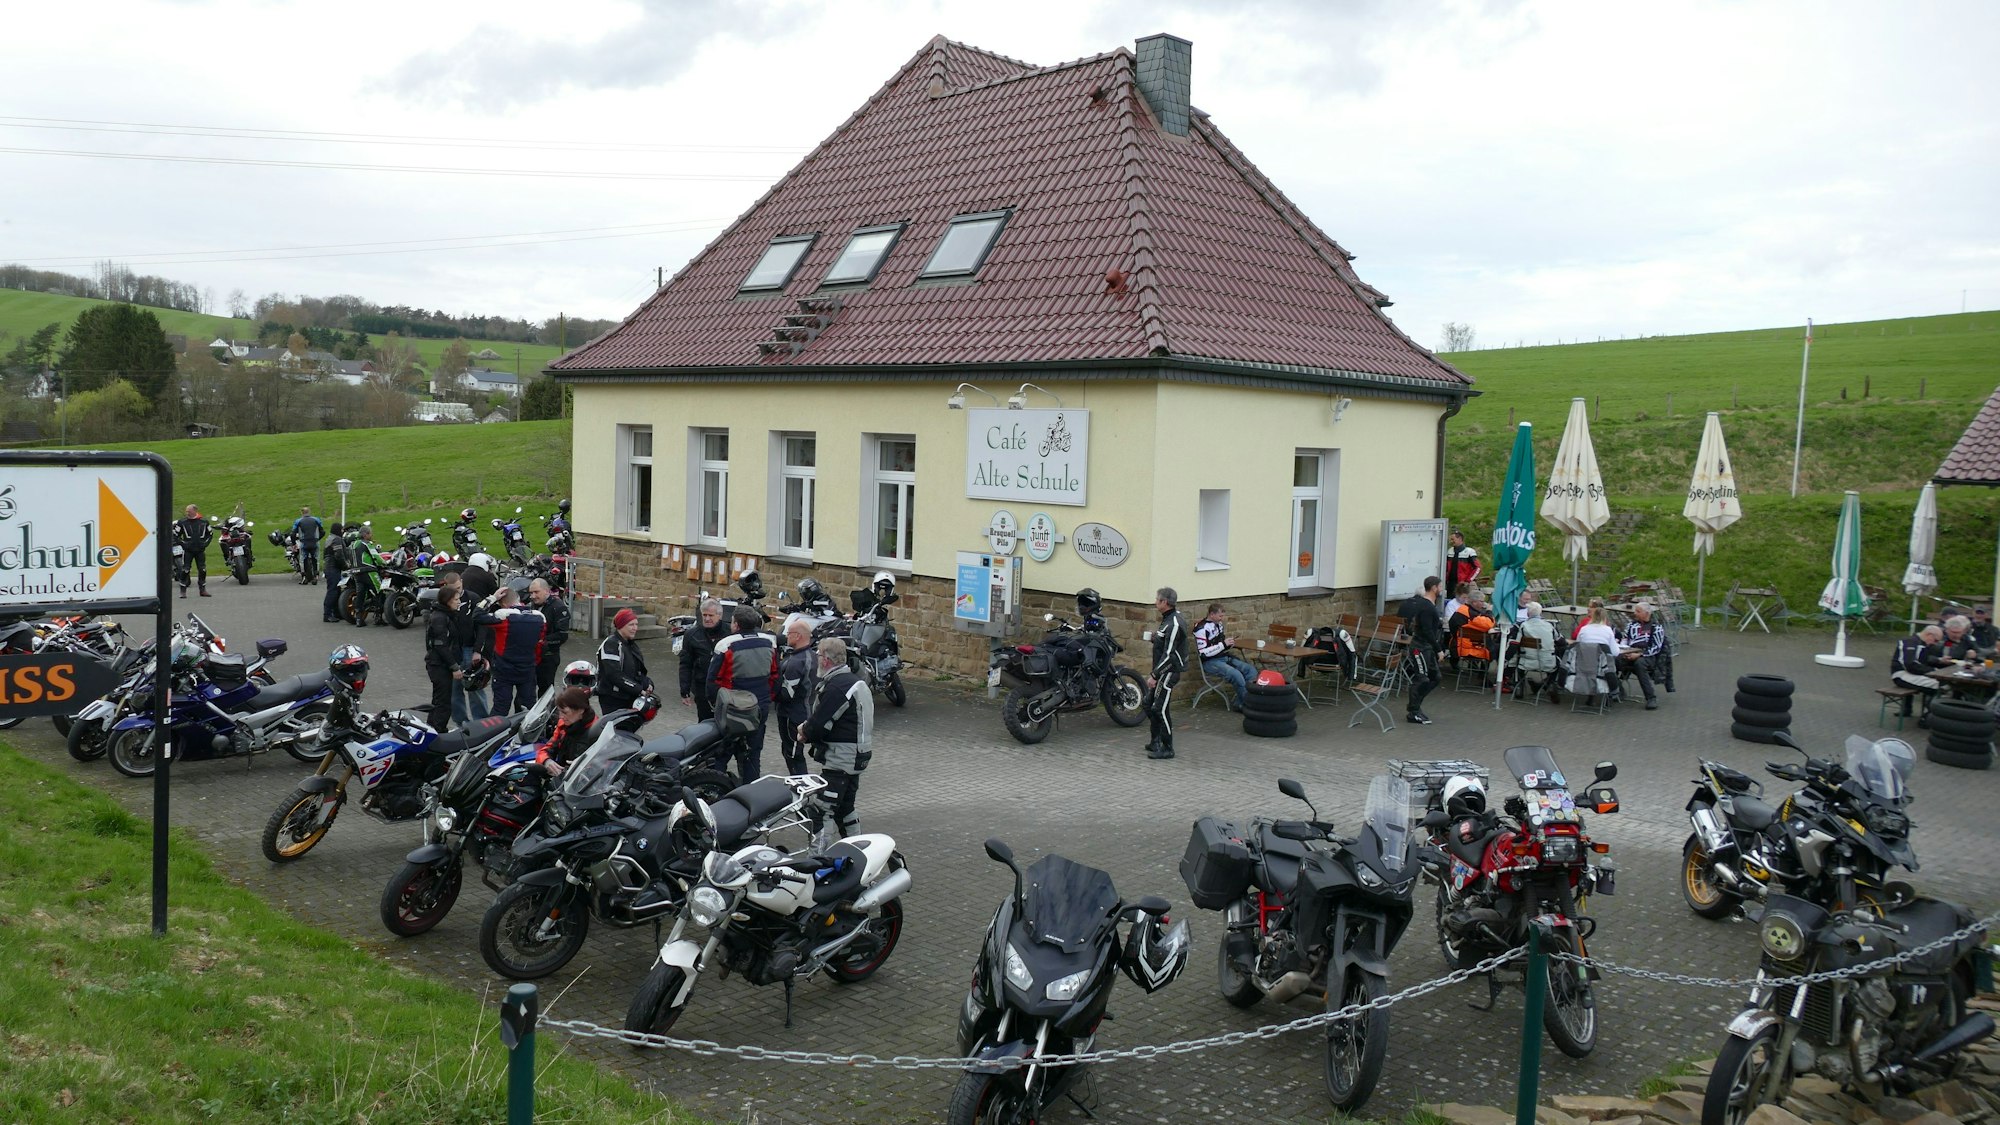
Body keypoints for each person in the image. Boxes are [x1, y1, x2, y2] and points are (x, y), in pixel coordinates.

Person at [801, 638, 873, 838]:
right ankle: (857, 848)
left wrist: (804, 731)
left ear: (826, 659)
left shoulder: (837, 688)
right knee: (845, 808)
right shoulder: (856, 681)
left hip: (841, 759)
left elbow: (818, 725)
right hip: (857, 756)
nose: (816, 659)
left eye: (818, 655)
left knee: (822, 811)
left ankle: (819, 855)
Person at [708, 606, 776, 781]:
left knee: (721, 752)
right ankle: (751, 789)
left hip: (732, 708)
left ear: (736, 624)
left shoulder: (726, 645)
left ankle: (714, 786)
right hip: (759, 706)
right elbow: (775, 675)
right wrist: (768, 699)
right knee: (752, 753)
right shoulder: (769, 642)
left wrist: (715, 705)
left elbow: (713, 680)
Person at [473, 586, 545, 715]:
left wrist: (492, 598)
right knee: (528, 708)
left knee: (500, 708)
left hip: (504, 669)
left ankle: (494, 729)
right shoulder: (539, 617)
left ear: (503, 604)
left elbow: (477, 615)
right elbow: (540, 644)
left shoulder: (504, 615)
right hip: (527, 668)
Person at [1145, 587, 1188, 760]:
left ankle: (1167, 748)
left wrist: (1154, 675)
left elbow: (1170, 655)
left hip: (1169, 671)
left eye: (1157, 599)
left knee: (1159, 708)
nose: (1155, 602)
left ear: (1165, 602)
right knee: (1148, 704)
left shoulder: (1175, 623)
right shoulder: (1167, 619)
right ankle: (1155, 741)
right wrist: (1155, 639)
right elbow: (1166, 643)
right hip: (1162, 670)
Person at [1192, 603, 1257, 712]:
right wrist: (1223, 645)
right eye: (1220, 616)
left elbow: (1220, 644)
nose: (1222, 618)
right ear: (1212, 614)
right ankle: (1248, 705)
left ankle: (1241, 702)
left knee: (1251, 670)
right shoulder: (1201, 628)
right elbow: (1203, 653)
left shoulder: (1219, 624)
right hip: (1210, 662)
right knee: (1236, 675)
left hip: (1223, 657)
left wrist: (1228, 644)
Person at [1397, 575, 1445, 724]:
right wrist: (1439, 649)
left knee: (1435, 677)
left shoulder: (1429, 605)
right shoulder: (1426, 606)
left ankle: (1416, 704)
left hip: (1427, 647)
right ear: (1434, 588)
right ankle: (1413, 711)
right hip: (1420, 647)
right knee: (1421, 678)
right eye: (1440, 586)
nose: (1442, 589)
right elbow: (1426, 630)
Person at [597, 608, 653, 731]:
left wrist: (648, 683)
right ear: (621, 626)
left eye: (636, 624)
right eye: (631, 625)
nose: (635, 628)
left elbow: (638, 671)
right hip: (613, 698)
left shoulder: (630, 644)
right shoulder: (611, 644)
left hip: (629, 697)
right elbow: (614, 674)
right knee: (615, 733)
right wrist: (639, 689)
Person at [775, 619, 816, 775]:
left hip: (791, 715)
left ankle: (800, 784)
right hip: (808, 710)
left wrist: (771, 690)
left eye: (789, 633)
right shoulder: (814, 656)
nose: (786, 636)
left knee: (792, 753)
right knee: (792, 750)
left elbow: (786, 694)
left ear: (798, 636)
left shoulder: (796, 662)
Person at [422, 584, 464, 732]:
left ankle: (431, 729)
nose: (459, 602)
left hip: (440, 664)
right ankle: (438, 731)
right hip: (439, 665)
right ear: (447, 600)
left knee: (439, 700)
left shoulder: (446, 615)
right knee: (443, 703)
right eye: (456, 599)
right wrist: (454, 667)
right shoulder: (440, 618)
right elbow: (441, 646)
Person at [532, 688, 598, 777]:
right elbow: (547, 748)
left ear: (581, 710)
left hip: (583, 779)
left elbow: (602, 764)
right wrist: (546, 761)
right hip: (561, 776)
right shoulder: (563, 725)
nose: (561, 716)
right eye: (559, 711)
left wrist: (582, 766)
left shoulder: (597, 730)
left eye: (565, 712)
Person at [678, 598, 724, 721]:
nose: (707, 619)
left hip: (724, 686)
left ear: (719, 616)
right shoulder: (692, 635)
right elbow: (685, 664)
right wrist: (684, 690)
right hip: (702, 686)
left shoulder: (729, 633)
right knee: (705, 722)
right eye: (704, 615)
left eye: (711, 615)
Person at [1617, 603, 1667, 710]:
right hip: (1629, 652)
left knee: (1639, 663)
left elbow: (1656, 647)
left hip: (1648, 655)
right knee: (1613, 660)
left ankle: (1651, 698)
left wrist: (1640, 654)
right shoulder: (1631, 625)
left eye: (1638, 611)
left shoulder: (1656, 627)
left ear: (1647, 613)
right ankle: (1617, 689)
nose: (1635, 613)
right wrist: (1624, 650)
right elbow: (1624, 639)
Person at [1891, 626, 1945, 721]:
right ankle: (1926, 717)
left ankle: (1910, 710)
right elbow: (1910, 665)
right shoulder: (1910, 642)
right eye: (1935, 640)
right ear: (1930, 635)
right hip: (1901, 674)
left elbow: (1923, 661)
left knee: (1940, 683)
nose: (1935, 643)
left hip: (1911, 673)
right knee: (1938, 685)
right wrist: (1933, 671)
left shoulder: (1922, 643)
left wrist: (1938, 661)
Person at [529, 578, 570, 696]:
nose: (533, 596)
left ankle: (548, 708)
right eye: (531, 593)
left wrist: (542, 642)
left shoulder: (558, 607)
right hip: (531, 655)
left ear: (546, 591)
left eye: (536, 592)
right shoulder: (532, 605)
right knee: (526, 690)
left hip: (548, 657)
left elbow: (562, 635)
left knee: (545, 691)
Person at [1516, 602, 1560, 700]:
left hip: (1526, 662)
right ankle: (1550, 683)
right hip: (1548, 662)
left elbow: (1517, 642)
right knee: (1559, 662)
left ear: (1528, 614)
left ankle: (1520, 687)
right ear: (1540, 613)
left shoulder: (1523, 626)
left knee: (1518, 660)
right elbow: (1560, 641)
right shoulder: (1550, 625)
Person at [173, 504, 212, 597]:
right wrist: (184, 544)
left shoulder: (204, 522)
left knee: (202, 570)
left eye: (189, 511)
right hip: (188, 551)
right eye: (186, 511)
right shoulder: (182, 522)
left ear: (195, 511)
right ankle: (183, 591)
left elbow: (210, 534)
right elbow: (176, 535)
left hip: (200, 550)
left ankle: (202, 590)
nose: (187, 513)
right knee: (185, 570)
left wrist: (205, 544)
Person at [321, 522, 348, 622]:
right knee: (333, 591)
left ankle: (337, 613)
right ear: (338, 530)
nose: (343, 531)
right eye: (341, 529)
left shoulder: (329, 538)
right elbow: (339, 555)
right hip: (333, 568)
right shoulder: (337, 539)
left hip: (328, 567)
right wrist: (345, 565)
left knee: (337, 590)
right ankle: (327, 614)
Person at [291, 506, 324, 582]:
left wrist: (294, 544)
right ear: (309, 512)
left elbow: (293, 534)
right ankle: (316, 576)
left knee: (302, 560)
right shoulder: (317, 520)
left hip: (304, 543)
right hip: (315, 542)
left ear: (301, 513)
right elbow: (323, 532)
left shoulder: (298, 521)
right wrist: (318, 539)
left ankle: (304, 577)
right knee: (316, 559)